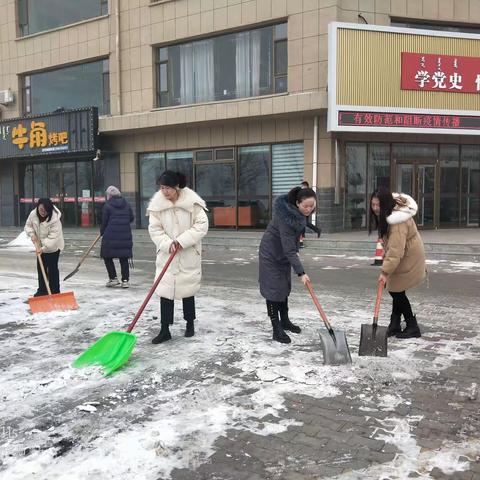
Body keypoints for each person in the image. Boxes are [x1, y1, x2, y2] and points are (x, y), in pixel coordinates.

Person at [147, 170, 209, 343]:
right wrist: (167, 243)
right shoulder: (157, 207)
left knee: (187, 290)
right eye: (162, 187)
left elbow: (201, 226)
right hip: (167, 254)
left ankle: (189, 323)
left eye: (167, 187)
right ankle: (164, 329)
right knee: (165, 292)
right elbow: (155, 229)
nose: (164, 191)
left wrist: (182, 241)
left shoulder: (193, 204)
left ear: (176, 187)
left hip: (188, 253)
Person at [259, 186, 317, 344]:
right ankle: (276, 327)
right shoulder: (286, 218)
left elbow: (294, 239)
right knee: (273, 290)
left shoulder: (297, 213)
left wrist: (296, 250)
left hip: (283, 253)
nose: (309, 209)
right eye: (306, 206)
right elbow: (288, 247)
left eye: (312, 206)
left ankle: (284, 321)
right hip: (271, 254)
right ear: (297, 203)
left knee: (283, 287)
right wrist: (301, 273)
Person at [369, 187, 426, 339]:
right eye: (373, 204)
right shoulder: (389, 213)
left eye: (378, 205)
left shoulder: (397, 222)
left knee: (396, 290)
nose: (375, 208)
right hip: (403, 253)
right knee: (396, 288)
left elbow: (395, 250)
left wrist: (384, 272)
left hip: (409, 256)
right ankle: (394, 325)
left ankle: (412, 326)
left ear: (386, 204)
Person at [24, 198, 65, 297]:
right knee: (41, 268)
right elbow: (28, 226)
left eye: (45, 210)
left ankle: (55, 291)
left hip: (53, 247)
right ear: (38, 207)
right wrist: (32, 234)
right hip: (39, 245)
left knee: (52, 269)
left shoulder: (55, 220)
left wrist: (42, 248)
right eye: (41, 209)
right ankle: (42, 291)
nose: (43, 212)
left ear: (49, 209)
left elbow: (53, 239)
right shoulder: (33, 214)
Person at [100, 185, 134, 288]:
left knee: (107, 256)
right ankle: (125, 281)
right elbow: (131, 218)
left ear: (109, 195)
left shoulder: (107, 205)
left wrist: (102, 232)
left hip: (110, 235)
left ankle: (113, 278)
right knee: (124, 258)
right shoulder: (126, 204)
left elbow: (104, 222)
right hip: (125, 235)